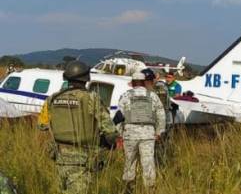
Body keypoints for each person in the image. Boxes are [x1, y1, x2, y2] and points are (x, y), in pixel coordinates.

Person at [40, 60, 117, 194]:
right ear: (86, 78)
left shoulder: (52, 99)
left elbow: (42, 125)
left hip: (59, 158)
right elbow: (110, 131)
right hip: (83, 160)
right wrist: (108, 143)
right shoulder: (91, 98)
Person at [117, 72, 166, 193]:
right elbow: (161, 115)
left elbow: (118, 117)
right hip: (148, 135)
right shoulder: (153, 96)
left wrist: (119, 134)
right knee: (148, 163)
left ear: (133, 82)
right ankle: (149, 189)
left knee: (130, 162)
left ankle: (129, 189)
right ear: (144, 82)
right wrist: (159, 132)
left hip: (129, 135)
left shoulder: (125, 96)